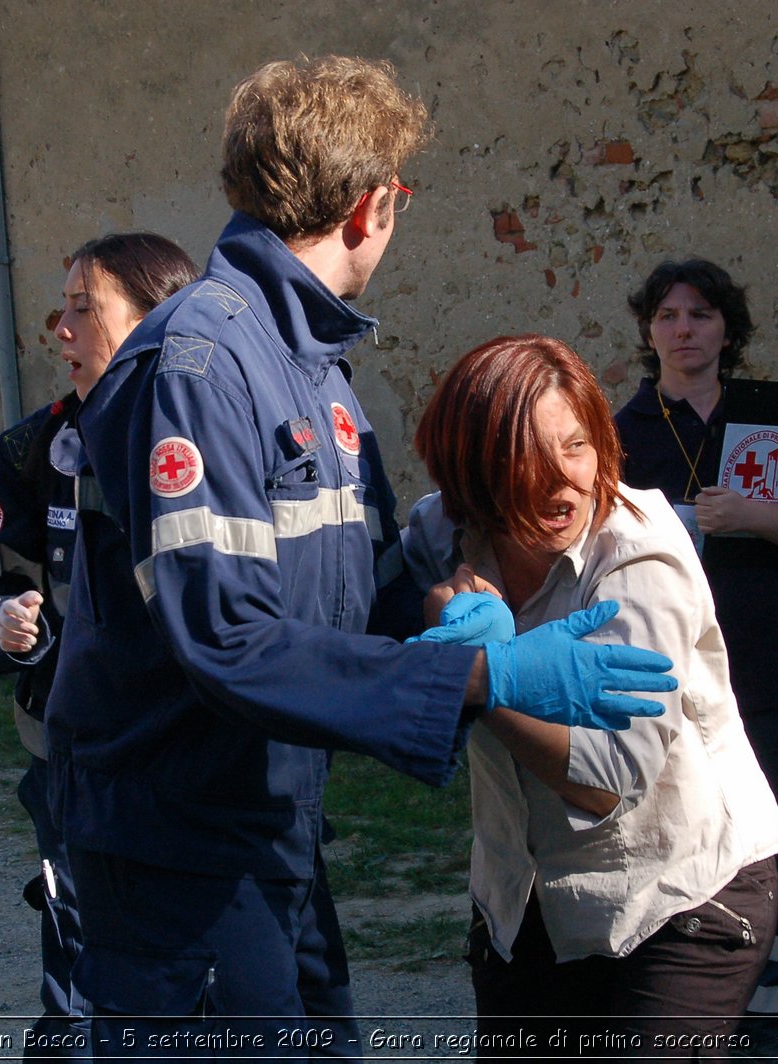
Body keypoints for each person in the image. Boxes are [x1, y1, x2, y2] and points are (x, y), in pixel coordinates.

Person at [46, 55, 676, 1057]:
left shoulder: (311, 369)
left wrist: (436, 609)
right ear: (372, 208)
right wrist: (483, 671)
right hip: (177, 851)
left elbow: (349, 591)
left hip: (266, 828)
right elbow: (224, 639)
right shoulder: (201, 363)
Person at [399, 334, 778, 1058]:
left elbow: (609, 781)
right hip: (527, 897)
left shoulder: (638, 561)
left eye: (576, 448)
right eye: (526, 461)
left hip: (677, 894)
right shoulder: (442, 531)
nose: (561, 483)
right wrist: (441, 593)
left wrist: (481, 678)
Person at [0, 232, 199, 1055]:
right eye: (63, 307)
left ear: (156, 320)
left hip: (193, 763)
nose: (62, 328)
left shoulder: (210, 443)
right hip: (69, 758)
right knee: (81, 960)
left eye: (85, 309)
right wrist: (0, 625)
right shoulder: (32, 451)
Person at [614, 259, 778, 1063]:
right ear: (650, 331)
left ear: (727, 330)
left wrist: (753, 514)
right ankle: (686, 1015)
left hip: (773, 669)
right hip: (668, 675)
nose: (685, 330)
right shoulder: (622, 430)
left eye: (702, 315)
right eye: (669, 316)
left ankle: (768, 1024)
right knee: (676, 844)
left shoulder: (767, 418)